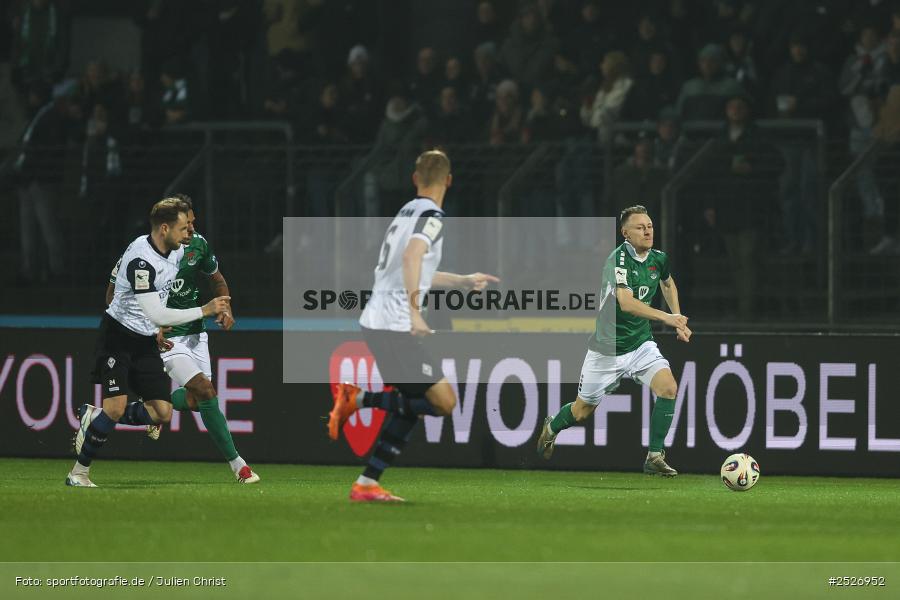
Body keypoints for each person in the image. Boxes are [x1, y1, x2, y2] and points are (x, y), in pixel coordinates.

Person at [327, 150, 499, 502]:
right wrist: (414, 312)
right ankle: (357, 398)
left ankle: (367, 483)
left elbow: (414, 267)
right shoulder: (433, 217)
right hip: (394, 325)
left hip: (379, 322)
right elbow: (411, 258)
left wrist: (462, 281)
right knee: (444, 403)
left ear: (414, 179)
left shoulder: (406, 212)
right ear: (449, 180)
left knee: (414, 402)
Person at [66, 197, 231, 487]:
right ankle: (78, 473)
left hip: (145, 341)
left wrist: (156, 328)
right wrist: (204, 310)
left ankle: (92, 416)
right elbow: (154, 311)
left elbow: (161, 300)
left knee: (162, 413)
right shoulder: (141, 260)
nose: (188, 233)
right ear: (164, 228)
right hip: (118, 337)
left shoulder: (176, 251)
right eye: (183, 227)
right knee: (115, 407)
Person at [104, 196, 260, 484]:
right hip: (167, 336)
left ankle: (126, 410)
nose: (191, 229)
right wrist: (148, 327)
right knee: (205, 390)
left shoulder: (197, 245)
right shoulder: (143, 252)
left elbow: (217, 278)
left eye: (192, 223)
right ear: (170, 225)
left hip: (196, 332)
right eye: (186, 224)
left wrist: (225, 306)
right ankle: (239, 466)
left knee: (197, 400)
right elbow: (114, 293)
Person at [537, 205, 691, 476]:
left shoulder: (658, 259)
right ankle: (552, 426)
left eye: (650, 226)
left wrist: (678, 317)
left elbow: (667, 283)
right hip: (607, 349)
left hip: (640, 343)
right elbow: (626, 303)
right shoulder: (617, 260)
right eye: (640, 227)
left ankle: (654, 456)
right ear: (625, 233)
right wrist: (668, 318)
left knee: (668, 387)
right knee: (582, 411)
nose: (647, 231)